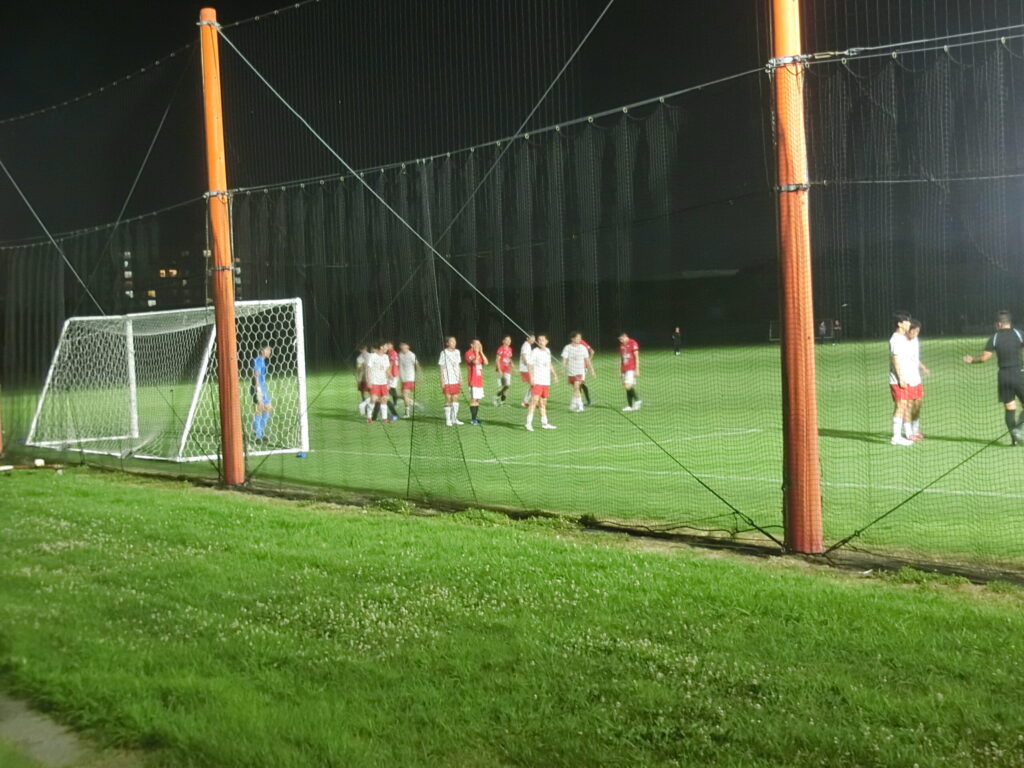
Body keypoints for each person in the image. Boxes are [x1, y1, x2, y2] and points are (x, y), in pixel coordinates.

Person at [963, 310, 1024, 446]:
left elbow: (984, 358)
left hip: (1003, 376)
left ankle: (1014, 440)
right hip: (1019, 373)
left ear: (999, 324)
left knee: (1010, 408)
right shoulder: (1019, 334)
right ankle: (1017, 430)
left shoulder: (995, 337)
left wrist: (972, 360)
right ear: (1009, 322)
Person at [888, 311, 914, 446]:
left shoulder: (904, 338)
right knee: (900, 405)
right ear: (899, 324)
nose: (909, 324)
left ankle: (901, 434)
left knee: (904, 405)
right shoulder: (895, 339)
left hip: (906, 378)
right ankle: (896, 437)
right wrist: (901, 378)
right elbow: (895, 359)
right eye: (906, 321)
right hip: (898, 380)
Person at [903, 319, 930, 441]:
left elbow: (914, 358)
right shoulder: (902, 342)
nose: (915, 333)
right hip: (906, 379)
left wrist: (923, 367)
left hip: (916, 378)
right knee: (908, 405)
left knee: (918, 404)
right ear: (908, 330)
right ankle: (908, 433)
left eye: (918, 331)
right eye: (913, 331)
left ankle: (915, 429)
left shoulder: (915, 341)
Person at [525, 334, 558, 431]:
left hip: (546, 381)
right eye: (539, 340)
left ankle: (545, 423)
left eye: (543, 340)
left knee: (543, 403)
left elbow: (549, 364)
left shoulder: (548, 351)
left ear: (546, 341)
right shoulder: (535, 351)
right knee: (534, 401)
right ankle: (528, 423)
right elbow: (529, 365)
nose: (540, 341)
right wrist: (531, 378)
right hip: (537, 381)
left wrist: (554, 375)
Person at [561, 332, 596, 412]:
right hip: (571, 372)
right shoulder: (567, 348)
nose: (579, 339)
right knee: (575, 389)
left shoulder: (583, 348)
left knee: (577, 387)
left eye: (580, 338)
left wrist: (592, 370)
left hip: (580, 371)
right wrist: (563, 368)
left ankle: (580, 406)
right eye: (577, 338)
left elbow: (587, 360)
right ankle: (574, 405)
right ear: (572, 339)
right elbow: (564, 359)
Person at [365, 342, 395, 423]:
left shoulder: (386, 357)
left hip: (384, 382)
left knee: (384, 399)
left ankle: (384, 418)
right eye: (386, 346)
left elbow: (387, 370)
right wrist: (368, 380)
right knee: (373, 399)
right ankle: (369, 417)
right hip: (374, 382)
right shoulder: (373, 356)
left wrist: (390, 377)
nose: (387, 348)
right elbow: (368, 369)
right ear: (381, 347)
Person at [439, 336, 464, 426]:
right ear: (447, 343)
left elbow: (458, 365)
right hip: (447, 380)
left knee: (455, 398)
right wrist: (442, 380)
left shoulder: (457, 352)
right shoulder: (443, 353)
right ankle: (448, 420)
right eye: (452, 341)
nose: (454, 343)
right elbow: (441, 367)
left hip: (455, 380)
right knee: (448, 398)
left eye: (455, 341)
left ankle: (454, 418)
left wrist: (460, 377)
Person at [251, 345, 273, 442]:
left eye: (270, 350)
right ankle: (258, 435)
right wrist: (258, 390)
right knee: (259, 409)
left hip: (263, 388)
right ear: (262, 350)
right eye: (267, 349)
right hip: (258, 388)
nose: (269, 352)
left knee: (268, 408)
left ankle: (259, 431)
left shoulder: (263, 361)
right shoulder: (258, 360)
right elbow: (255, 375)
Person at [465, 339, 489, 425]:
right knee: (473, 399)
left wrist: (481, 352)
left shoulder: (479, 353)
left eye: (479, 344)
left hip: (479, 380)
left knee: (478, 400)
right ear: (472, 345)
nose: (479, 345)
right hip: (473, 380)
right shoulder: (468, 353)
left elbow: (486, 362)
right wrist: (476, 352)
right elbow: (475, 362)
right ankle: (473, 420)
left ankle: (475, 419)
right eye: (477, 344)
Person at [618, 332, 642, 411]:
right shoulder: (622, 346)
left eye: (622, 339)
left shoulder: (633, 343)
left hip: (631, 368)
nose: (621, 341)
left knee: (627, 386)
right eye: (620, 340)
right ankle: (630, 406)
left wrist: (637, 369)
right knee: (627, 387)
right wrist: (620, 370)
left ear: (625, 336)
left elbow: (636, 357)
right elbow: (622, 359)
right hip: (624, 369)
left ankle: (637, 400)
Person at [398, 342, 421, 418]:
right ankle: (414, 403)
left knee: (405, 395)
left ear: (408, 346)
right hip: (403, 379)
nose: (402, 347)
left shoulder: (411, 355)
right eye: (401, 346)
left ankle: (407, 413)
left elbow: (417, 365)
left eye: (404, 346)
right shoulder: (400, 355)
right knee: (403, 396)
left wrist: (419, 375)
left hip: (410, 378)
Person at [493, 335, 514, 406]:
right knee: (502, 386)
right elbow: (497, 360)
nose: (509, 341)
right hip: (501, 370)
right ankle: (496, 398)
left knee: (507, 386)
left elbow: (509, 358)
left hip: (507, 369)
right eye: (507, 340)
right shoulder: (501, 349)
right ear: (503, 341)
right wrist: (499, 370)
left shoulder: (510, 349)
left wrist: (511, 363)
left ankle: (502, 402)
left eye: (509, 340)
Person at [518, 333, 536, 407]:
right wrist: (528, 365)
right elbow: (524, 356)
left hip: (527, 369)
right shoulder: (526, 345)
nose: (533, 339)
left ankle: (527, 401)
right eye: (532, 338)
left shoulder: (528, 345)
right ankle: (526, 401)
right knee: (534, 384)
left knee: (533, 385)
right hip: (525, 369)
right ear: (527, 338)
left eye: (534, 338)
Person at [355, 345, 372, 418]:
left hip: (363, 378)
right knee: (372, 394)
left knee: (364, 394)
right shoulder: (371, 355)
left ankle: (364, 407)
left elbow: (359, 369)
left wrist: (358, 380)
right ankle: (368, 408)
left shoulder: (359, 358)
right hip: (371, 378)